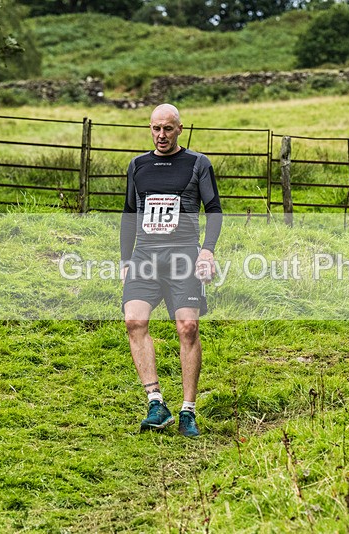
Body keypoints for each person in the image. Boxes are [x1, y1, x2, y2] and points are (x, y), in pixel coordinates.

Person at [120, 103, 222, 437]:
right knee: (134, 321)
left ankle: (188, 411)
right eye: (155, 128)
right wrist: (125, 260)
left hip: (183, 256)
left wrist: (207, 251)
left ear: (179, 129)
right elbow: (129, 215)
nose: (161, 135)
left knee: (187, 327)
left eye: (167, 128)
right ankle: (155, 402)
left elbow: (215, 210)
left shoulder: (197, 163)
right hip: (145, 256)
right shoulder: (138, 166)